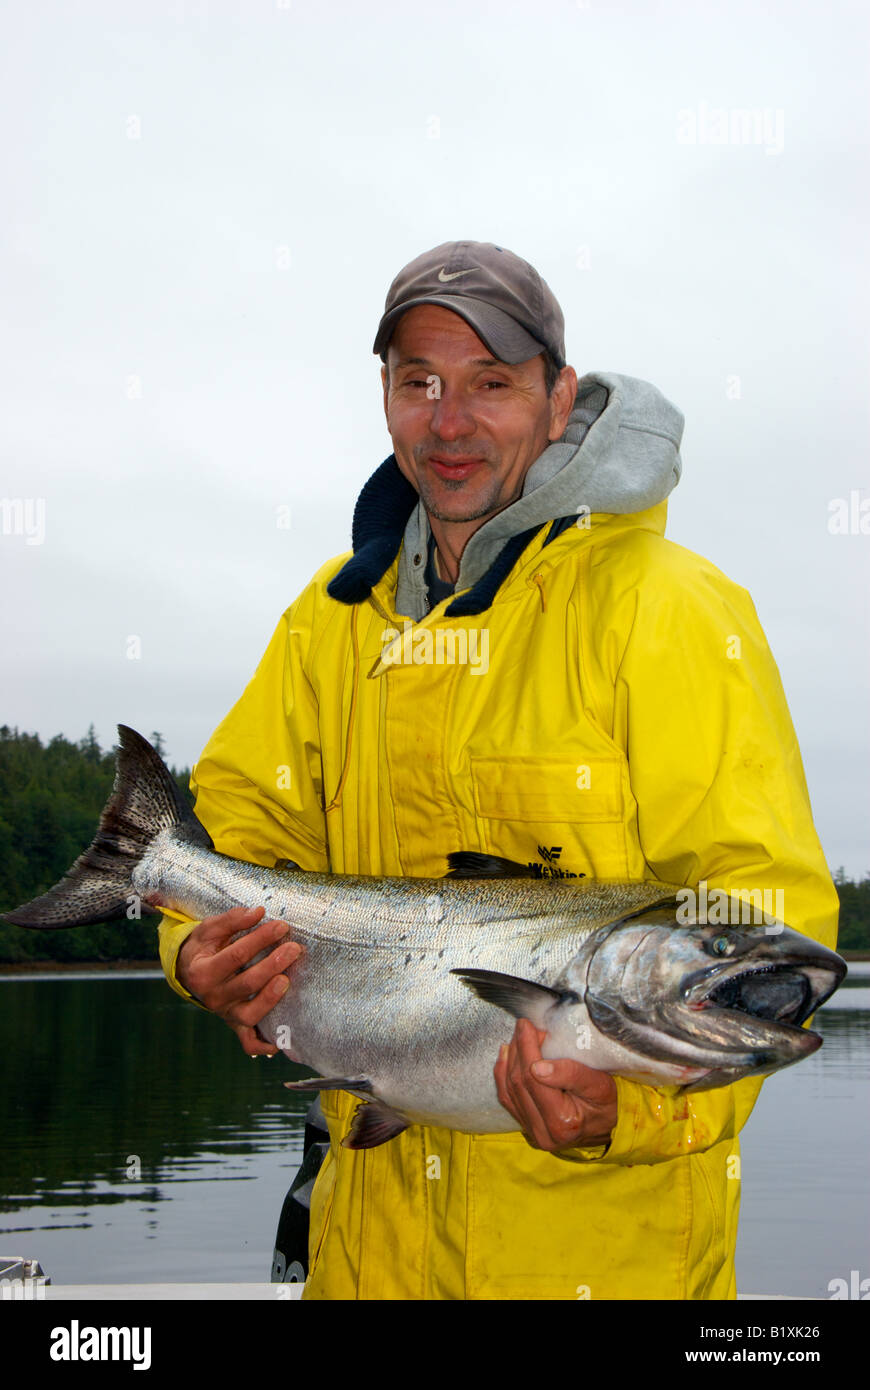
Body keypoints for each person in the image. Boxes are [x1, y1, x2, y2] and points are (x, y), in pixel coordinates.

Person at [157, 240, 839, 1300]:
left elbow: (765, 918)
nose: (450, 421)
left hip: (603, 1267)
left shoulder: (671, 609)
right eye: (418, 381)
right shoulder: (326, 625)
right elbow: (239, 843)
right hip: (367, 1255)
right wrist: (194, 949)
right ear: (383, 395)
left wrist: (641, 1106)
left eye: (491, 383)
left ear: (559, 398)